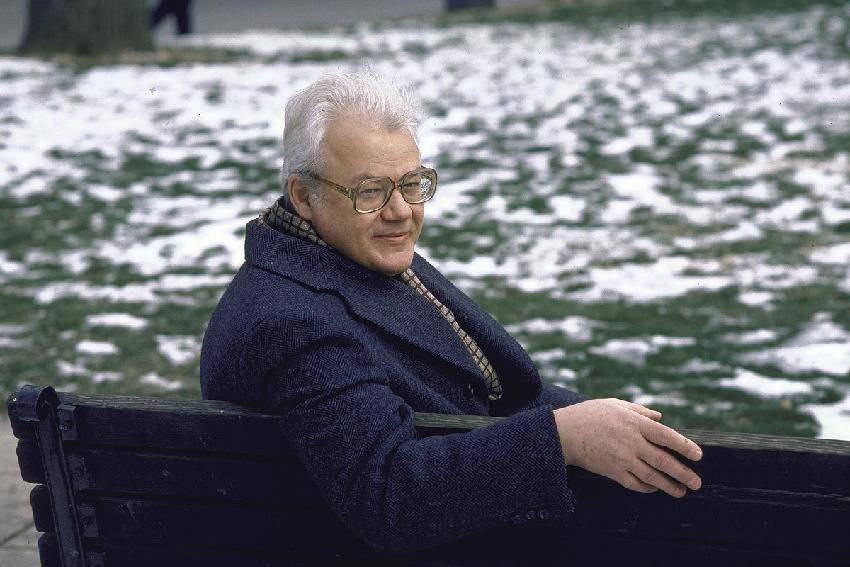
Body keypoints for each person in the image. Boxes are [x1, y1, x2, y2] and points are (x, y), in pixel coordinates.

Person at [199, 68, 703, 556]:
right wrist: (563, 438)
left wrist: (601, 425)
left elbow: (503, 390)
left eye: (412, 183)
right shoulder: (294, 322)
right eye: (370, 191)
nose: (401, 211)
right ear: (303, 196)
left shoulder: (350, 256)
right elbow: (390, 494)